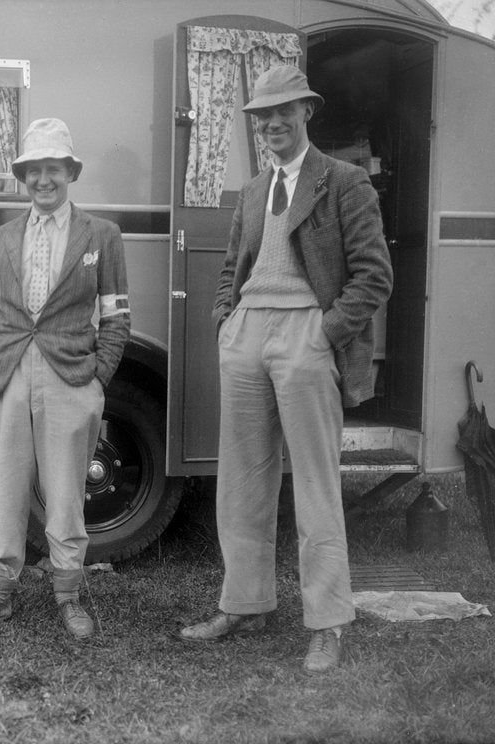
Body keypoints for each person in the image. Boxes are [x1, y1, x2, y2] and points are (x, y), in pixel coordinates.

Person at [180, 66, 393, 673]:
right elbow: (231, 267)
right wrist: (228, 318)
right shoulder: (252, 190)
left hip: (308, 332)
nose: (272, 123)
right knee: (242, 479)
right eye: (262, 116)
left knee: (317, 484)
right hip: (248, 332)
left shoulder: (344, 181)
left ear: (307, 112)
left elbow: (374, 275)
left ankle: (327, 623)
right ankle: (245, 604)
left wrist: (324, 333)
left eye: (284, 112)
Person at [0, 118, 130, 639]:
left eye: (53, 169)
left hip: (71, 376)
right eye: (34, 170)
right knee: (2, 491)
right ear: (23, 176)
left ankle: (69, 596)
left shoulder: (102, 235)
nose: (43, 180)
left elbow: (117, 316)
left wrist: (98, 375)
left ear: (69, 173)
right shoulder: (1, 238)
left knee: (66, 492)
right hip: (5, 376)